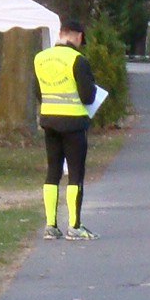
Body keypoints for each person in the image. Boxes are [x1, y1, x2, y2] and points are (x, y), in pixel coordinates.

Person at [34, 18, 98, 240]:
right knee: (75, 173)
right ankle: (74, 225)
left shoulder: (40, 58)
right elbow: (87, 97)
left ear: (61, 33)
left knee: (53, 170)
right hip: (74, 123)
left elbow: (39, 93)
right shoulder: (78, 60)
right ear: (78, 36)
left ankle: (50, 225)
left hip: (49, 120)